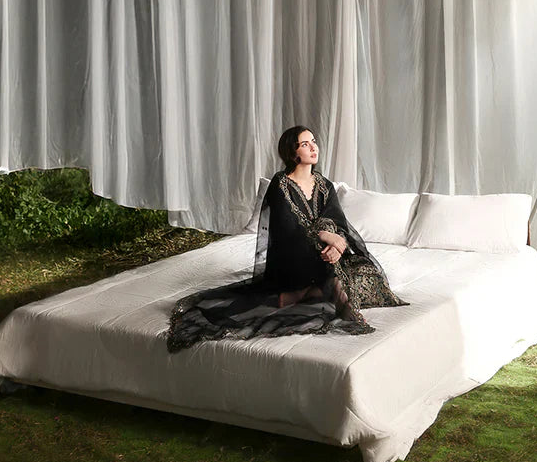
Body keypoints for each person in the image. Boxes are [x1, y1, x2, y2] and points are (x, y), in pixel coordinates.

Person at [167, 124, 407, 352]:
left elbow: (337, 222)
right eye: (305, 144)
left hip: (323, 254)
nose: (313, 147)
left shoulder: (324, 185)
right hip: (292, 257)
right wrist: (325, 235)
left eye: (313, 142)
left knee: (365, 270)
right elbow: (288, 230)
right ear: (292, 152)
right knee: (333, 271)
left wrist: (337, 245)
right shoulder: (280, 184)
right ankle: (345, 310)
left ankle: (307, 293)